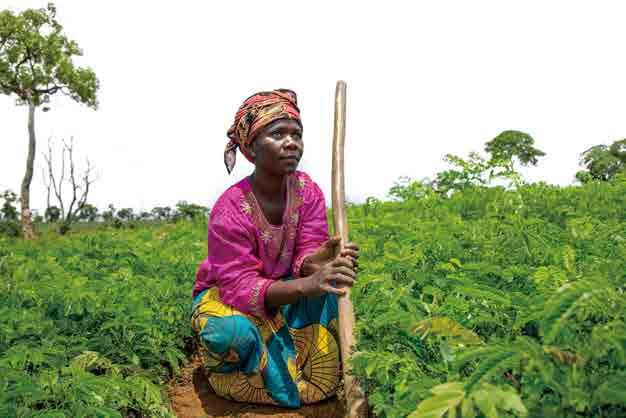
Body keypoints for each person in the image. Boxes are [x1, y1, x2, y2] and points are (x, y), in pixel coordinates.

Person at [191, 89, 359, 408]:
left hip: (284, 291)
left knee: (330, 286)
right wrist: (304, 284)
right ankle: (249, 369)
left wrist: (321, 261)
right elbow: (238, 287)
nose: (291, 142)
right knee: (229, 334)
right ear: (252, 148)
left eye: (297, 134)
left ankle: (288, 364)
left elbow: (306, 254)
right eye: (278, 134)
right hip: (231, 297)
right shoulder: (229, 210)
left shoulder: (307, 191)